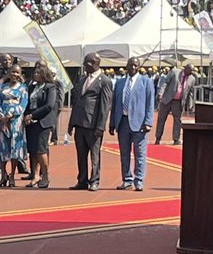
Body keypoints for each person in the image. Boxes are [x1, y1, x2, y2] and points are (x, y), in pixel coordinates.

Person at [67, 52, 113, 191]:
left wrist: (100, 126)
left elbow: (105, 106)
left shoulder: (104, 81)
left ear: (94, 63)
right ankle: (82, 180)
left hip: (93, 125)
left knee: (94, 155)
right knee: (81, 155)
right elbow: (77, 102)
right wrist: (71, 123)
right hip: (79, 123)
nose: (84, 65)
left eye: (86, 63)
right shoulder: (82, 79)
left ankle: (94, 180)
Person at [109, 56, 154, 191]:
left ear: (139, 67)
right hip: (122, 122)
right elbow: (115, 104)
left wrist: (148, 122)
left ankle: (139, 180)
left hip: (139, 123)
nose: (132, 68)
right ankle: (127, 179)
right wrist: (112, 123)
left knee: (140, 153)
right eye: (130, 65)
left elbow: (150, 103)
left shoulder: (146, 82)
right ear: (126, 66)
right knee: (124, 153)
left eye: (135, 65)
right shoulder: (120, 83)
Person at [23, 62, 59, 188]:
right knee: (33, 151)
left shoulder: (50, 87)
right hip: (31, 122)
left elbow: (49, 105)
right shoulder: (32, 87)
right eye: (34, 72)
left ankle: (45, 175)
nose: (35, 75)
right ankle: (35, 175)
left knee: (41, 150)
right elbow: (27, 103)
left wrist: (33, 115)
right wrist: (27, 116)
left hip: (43, 122)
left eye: (38, 73)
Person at [0, 62, 28, 186]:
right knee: (2, 148)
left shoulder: (23, 88)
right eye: (13, 71)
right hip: (2, 121)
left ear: (20, 74)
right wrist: (2, 117)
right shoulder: (2, 87)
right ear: (9, 73)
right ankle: (3, 175)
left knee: (14, 148)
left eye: (17, 72)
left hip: (15, 122)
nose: (14, 74)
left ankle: (12, 175)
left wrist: (11, 115)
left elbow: (23, 105)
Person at [154, 63, 194, 145]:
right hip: (167, 99)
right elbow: (165, 82)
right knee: (161, 118)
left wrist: (190, 105)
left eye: (192, 72)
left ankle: (176, 139)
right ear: (185, 68)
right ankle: (158, 138)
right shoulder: (175, 72)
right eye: (189, 71)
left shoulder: (192, 79)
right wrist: (160, 93)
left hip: (178, 102)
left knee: (178, 120)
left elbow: (190, 93)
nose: (190, 73)